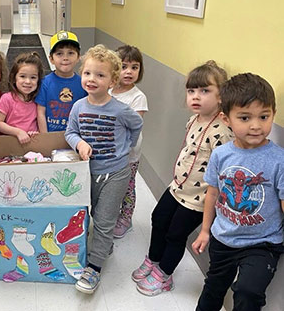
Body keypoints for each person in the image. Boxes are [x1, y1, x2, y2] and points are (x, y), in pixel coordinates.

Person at [132, 61, 234, 296]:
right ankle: (154, 259)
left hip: (198, 197)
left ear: (221, 96)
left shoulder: (222, 131)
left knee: (176, 234)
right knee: (158, 219)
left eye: (205, 91)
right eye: (191, 91)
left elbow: (223, 172)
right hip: (177, 187)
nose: (196, 96)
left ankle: (164, 274)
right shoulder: (194, 119)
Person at [192, 73, 284, 311]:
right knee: (213, 288)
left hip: (262, 243)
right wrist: (204, 231)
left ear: (273, 113)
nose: (256, 125)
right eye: (245, 117)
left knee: (248, 291)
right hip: (224, 237)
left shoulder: (278, 160)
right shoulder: (221, 155)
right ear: (227, 119)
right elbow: (212, 193)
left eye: (264, 116)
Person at [65, 44, 143, 293]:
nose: (92, 79)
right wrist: (79, 143)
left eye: (100, 75)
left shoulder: (121, 109)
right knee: (91, 213)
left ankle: (94, 267)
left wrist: (126, 149)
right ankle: (102, 243)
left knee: (105, 220)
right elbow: (70, 132)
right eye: (88, 73)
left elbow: (137, 125)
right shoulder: (78, 106)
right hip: (87, 172)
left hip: (116, 173)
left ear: (113, 80)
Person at [110, 44, 148, 238]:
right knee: (110, 185)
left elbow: (135, 124)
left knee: (127, 186)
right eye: (124, 66)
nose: (129, 72)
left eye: (134, 67)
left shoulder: (138, 97)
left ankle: (126, 217)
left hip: (128, 153)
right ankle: (110, 214)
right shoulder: (107, 90)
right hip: (108, 151)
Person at [36, 30, 87, 132]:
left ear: (78, 57)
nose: (65, 58)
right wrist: (45, 137)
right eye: (59, 54)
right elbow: (40, 112)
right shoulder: (45, 83)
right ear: (51, 59)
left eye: (70, 53)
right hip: (51, 136)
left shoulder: (83, 84)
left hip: (76, 137)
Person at [0, 51, 43, 144]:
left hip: (32, 144)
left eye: (33, 77)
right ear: (14, 78)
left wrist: (34, 133)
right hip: (11, 144)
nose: (28, 81)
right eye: (22, 76)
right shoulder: (7, 98)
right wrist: (18, 132)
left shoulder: (38, 99)